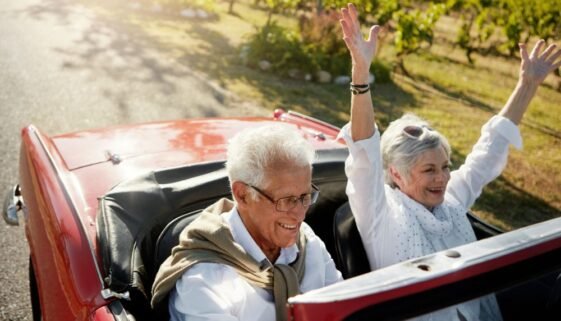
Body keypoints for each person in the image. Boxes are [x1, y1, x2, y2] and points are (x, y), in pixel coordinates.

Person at [337, 3, 561, 320]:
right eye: (428, 170)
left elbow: (488, 150)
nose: (442, 178)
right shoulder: (380, 214)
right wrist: (361, 73)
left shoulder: (450, 201)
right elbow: (363, 151)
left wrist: (527, 84)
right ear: (396, 175)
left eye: (444, 166)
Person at [151, 124, 342, 321]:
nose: (300, 214)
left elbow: (344, 310)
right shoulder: (203, 280)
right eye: (286, 200)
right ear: (242, 195)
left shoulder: (308, 242)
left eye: (305, 196)